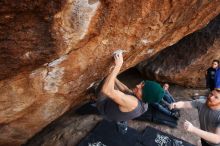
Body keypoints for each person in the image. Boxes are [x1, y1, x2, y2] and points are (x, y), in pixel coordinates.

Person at [89, 50, 164, 134]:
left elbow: (107, 91)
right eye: (141, 84)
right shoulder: (144, 103)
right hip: (119, 112)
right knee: (113, 82)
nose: (137, 86)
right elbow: (125, 90)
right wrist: (113, 76)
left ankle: (95, 98)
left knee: (106, 83)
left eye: (141, 88)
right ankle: (121, 119)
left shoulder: (133, 103)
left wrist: (118, 66)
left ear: (144, 95)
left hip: (104, 107)